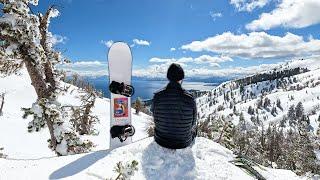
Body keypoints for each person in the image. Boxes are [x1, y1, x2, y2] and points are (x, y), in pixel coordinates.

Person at [151, 63, 197, 149]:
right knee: (195, 130)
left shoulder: (157, 96)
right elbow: (193, 122)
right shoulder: (190, 98)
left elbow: (154, 116)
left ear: (168, 77)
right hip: (183, 142)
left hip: (161, 140)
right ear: (182, 78)